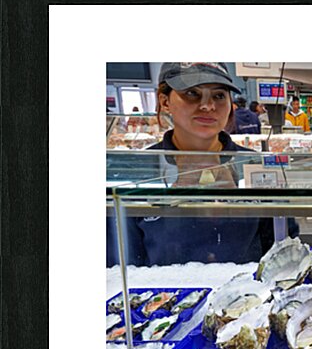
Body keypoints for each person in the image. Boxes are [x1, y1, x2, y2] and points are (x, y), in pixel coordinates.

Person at [109, 62, 274, 267]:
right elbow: (123, 263)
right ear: (165, 101)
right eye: (192, 93)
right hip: (167, 286)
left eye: (219, 95)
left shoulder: (254, 165)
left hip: (246, 285)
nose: (208, 106)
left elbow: (279, 244)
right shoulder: (135, 172)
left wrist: (235, 208)